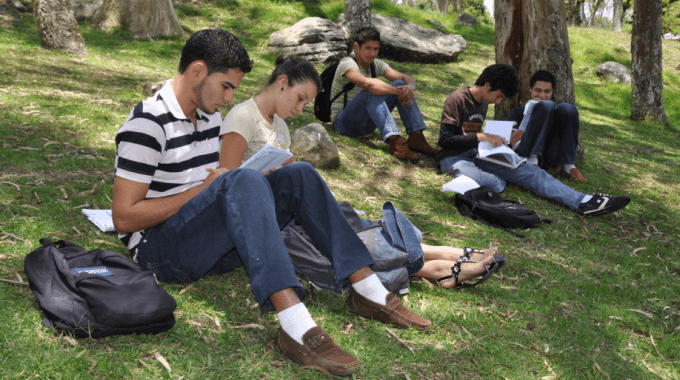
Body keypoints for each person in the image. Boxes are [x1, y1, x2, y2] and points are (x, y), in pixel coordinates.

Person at [111, 29, 431, 377]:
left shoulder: (208, 116)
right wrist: (208, 189)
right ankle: (296, 326)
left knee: (300, 175)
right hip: (162, 252)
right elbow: (125, 218)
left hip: (211, 244)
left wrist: (232, 185)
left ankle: (367, 289)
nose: (230, 97)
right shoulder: (147, 123)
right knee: (240, 179)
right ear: (198, 71)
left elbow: (215, 190)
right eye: (227, 87)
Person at [222, 56, 502, 290]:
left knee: (355, 224)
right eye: (300, 99)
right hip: (270, 219)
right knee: (335, 243)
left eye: (306, 103)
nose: (300, 108)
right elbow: (228, 183)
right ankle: (438, 267)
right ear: (282, 84)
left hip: (290, 210)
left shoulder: (280, 125)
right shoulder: (243, 116)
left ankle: (440, 258)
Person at [436, 64, 631, 217]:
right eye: (498, 96)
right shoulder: (457, 99)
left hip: (476, 154)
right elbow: (446, 141)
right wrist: (482, 136)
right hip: (453, 158)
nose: (498, 102)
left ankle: (584, 201)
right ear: (487, 86)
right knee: (496, 184)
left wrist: (495, 141)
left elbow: (471, 137)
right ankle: (494, 177)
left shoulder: (482, 104)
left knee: (530, 171)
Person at [330, 26, 436, 161]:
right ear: (356, 46)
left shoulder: (375, 64)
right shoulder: (347, 64)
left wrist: (409, 89)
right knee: (371, 90)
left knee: (399, 83)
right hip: (343, 124)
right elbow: (368, 85)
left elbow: (406, 78)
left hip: (367, 127)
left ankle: (416, 137)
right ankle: (395, 141)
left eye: (376, 49)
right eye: (368, 48)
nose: (372, 53)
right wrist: (398, 92)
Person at [508, 70, 587, 182]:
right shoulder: (518, 112)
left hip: (550, 155)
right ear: (530, 89)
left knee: (568, 108)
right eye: (537, 90)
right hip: (525, 153)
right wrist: (528, 118)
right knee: (546, 106)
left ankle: (569, 166)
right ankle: (532, 161)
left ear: (552, 92)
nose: (542, 95)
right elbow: (510, 142)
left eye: (547, 92)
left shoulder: (557, 113)